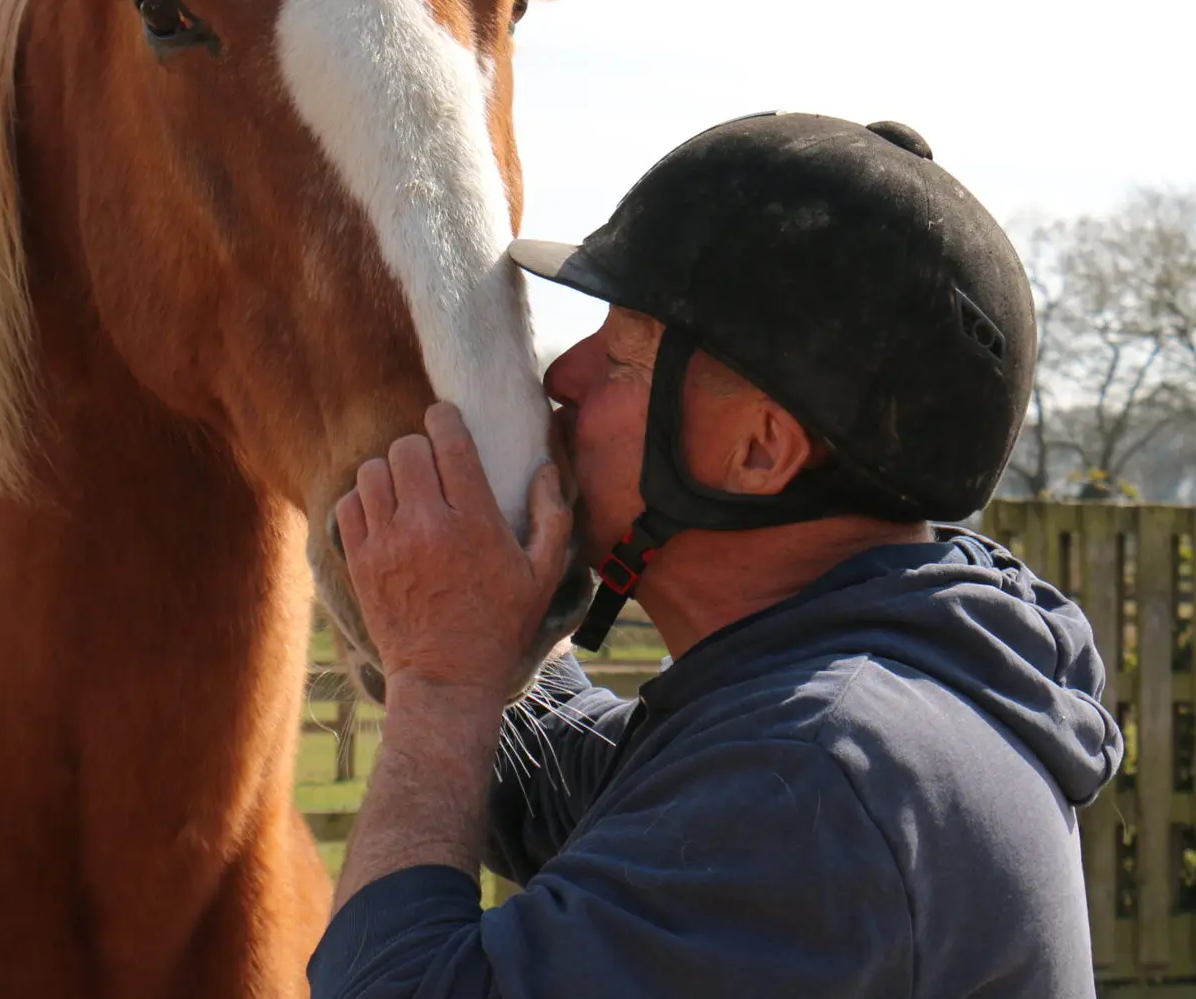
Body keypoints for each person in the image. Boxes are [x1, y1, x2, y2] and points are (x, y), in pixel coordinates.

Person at [312, 112, 1124, 999]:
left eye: (621, 356)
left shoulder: (818, 775)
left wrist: (441, 684)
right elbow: (565, 784)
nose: (564, 376)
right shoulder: (854, 712)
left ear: (758, 451)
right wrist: (464, 611)